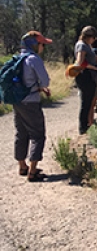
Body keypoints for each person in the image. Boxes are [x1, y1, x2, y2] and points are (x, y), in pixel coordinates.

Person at [14, 31, 52, 182]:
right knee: (37, 134)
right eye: (42, 44)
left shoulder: (17, 58)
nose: (43, 47)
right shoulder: (33, 59)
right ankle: (33, 171)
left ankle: (22, 165)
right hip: (31, 101)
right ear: (34, 45)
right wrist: (40, 86)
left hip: (17, 101)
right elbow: (45, 81)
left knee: (21, 132)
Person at [74, 26, 97, 134]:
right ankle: (83, 127)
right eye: (93, 37)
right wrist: (95, 68)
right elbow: (80, 62)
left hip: (89, 76)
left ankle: (86, 125)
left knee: (89, 101)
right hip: (85, 75)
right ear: (89, 36)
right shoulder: (82, 45)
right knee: (86, 102)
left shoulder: (86, 45)